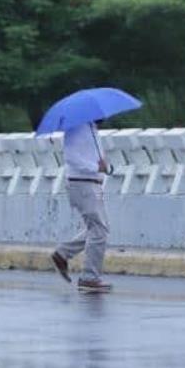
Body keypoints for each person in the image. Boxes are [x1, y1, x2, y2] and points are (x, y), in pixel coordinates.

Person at [51, 121, 113, 292]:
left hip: (91, 184)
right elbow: (71, 157)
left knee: (98, 228)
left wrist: (105, 168)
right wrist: (95, 167)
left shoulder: (91, 129)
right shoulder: (76, 128)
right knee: (99, 230)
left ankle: (62, 253)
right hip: (83, 184)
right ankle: (89, 277)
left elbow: (98, 161)